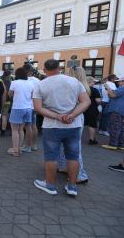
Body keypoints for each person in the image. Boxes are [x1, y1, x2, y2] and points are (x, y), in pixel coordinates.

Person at [33, 59, 90, 197]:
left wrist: (58, 117)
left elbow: (38, 108)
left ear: (45, 70)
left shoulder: (41, 84)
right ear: (59, 68)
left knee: (51, 156)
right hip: (73, 124)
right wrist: (72, 115)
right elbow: (86, 101)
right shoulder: (73, 81)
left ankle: (50, 185)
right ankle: (72, 186)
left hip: (52, 126)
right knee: (73, 156)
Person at [57, 67, 91, 184]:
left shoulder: (73, 86)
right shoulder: (84, 87)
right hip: (76, 117)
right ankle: (65, 167)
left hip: (71, 117)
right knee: (67, 144)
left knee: (73, 146)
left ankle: (79, 174)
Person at [8, 67, 35, 156]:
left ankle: (15, 150)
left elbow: (10, 94)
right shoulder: (30, 83)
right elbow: (32, 95)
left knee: (14, 130)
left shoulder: (14, 83)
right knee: (21, 129)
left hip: (17, 107)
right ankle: (19, 148)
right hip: (28, 108)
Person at [102, 76, 124, 150]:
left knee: (115, 127)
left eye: (119, 81)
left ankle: (113, 144)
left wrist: (107, 87)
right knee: (121, 128)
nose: (118, 82)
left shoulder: (122, 88)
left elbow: (112, 95)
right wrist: (110, 91)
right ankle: (120, 144)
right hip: (121, 111)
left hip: (116, 110)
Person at [23, 63, 41, 151]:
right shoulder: (37, 80)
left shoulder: (25, 80)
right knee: (34, 125)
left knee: (28, 126)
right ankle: (34, 145)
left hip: (27, 105)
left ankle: (28, 145)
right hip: (36, 105)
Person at [85, 76, 101, 145]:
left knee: (81, 124)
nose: (94, 83)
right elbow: (98, 100)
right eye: (93, 81)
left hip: (82, 108)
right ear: (89, 82)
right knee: (92, 125)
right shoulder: (94, 90)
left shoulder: (83, 89)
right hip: (92, 109)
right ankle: (91, 139)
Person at [0, 70, 12, 136]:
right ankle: (3, 130)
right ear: (9, 75)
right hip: (7, 101)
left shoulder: (0, 81)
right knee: (4, 115)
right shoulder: (10, 83)